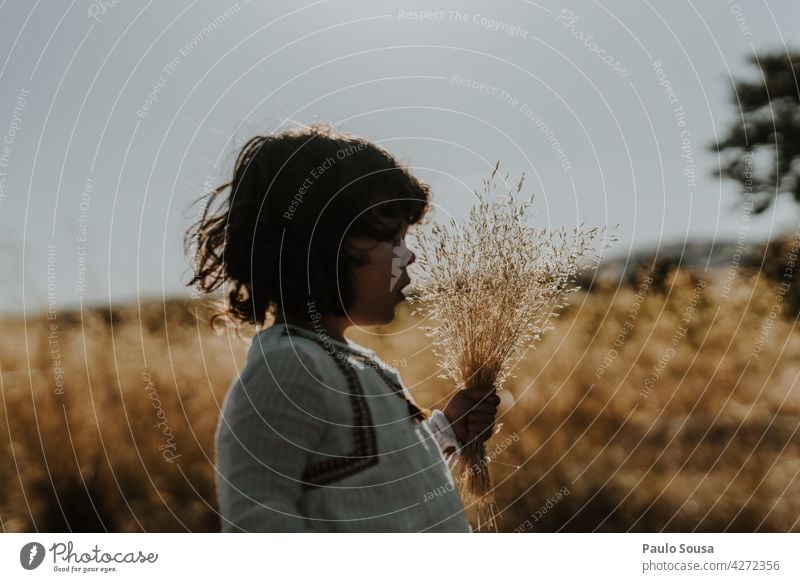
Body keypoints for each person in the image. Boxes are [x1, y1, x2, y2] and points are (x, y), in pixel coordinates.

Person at [184, 123, 500, 532]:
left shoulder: (350, 364)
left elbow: (388, 482)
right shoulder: (287, 370)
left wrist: (449, 430)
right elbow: (256, 519)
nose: (409, 257)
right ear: (324, 244)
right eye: (394, 239)